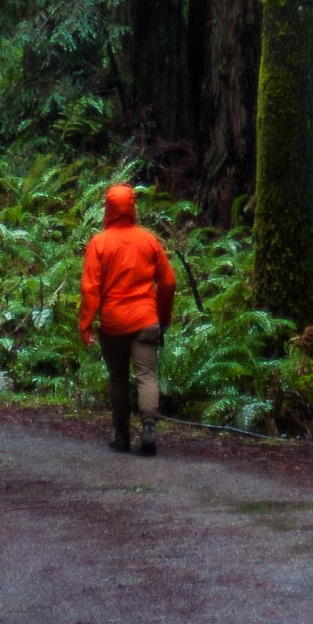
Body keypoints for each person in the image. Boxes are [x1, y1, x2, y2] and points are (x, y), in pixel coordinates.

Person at [76, 179, 176, 455]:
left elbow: (90, 288)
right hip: (146, 320)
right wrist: (164, 317)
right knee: (146, 375)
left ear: (107, 208)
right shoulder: (148, 240)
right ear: (132, 207)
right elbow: (167, 283)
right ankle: (148, 428)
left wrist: (85, 326)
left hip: (114, 324)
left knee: (118, 378)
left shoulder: (99, 243)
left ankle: (121, 435)